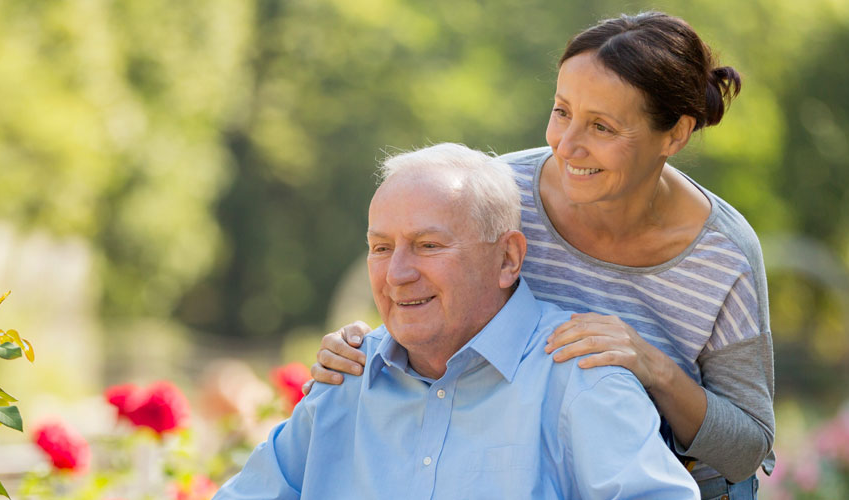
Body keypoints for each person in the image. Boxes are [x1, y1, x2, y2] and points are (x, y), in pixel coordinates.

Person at [307, 12, 775, 499]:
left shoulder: (724, 255)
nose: (567, 145)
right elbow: (424, 296)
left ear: (675, 134)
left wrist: (653, 368)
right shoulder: (498, 196)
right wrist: (365, 345)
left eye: (602, 127)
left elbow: (748, 448)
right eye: (561, 111)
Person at [216, 144, 698, 499]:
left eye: (429, 245)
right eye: (381, 248)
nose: (398, 274)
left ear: (508, 258)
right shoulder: (345, 377)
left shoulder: (579, 375)